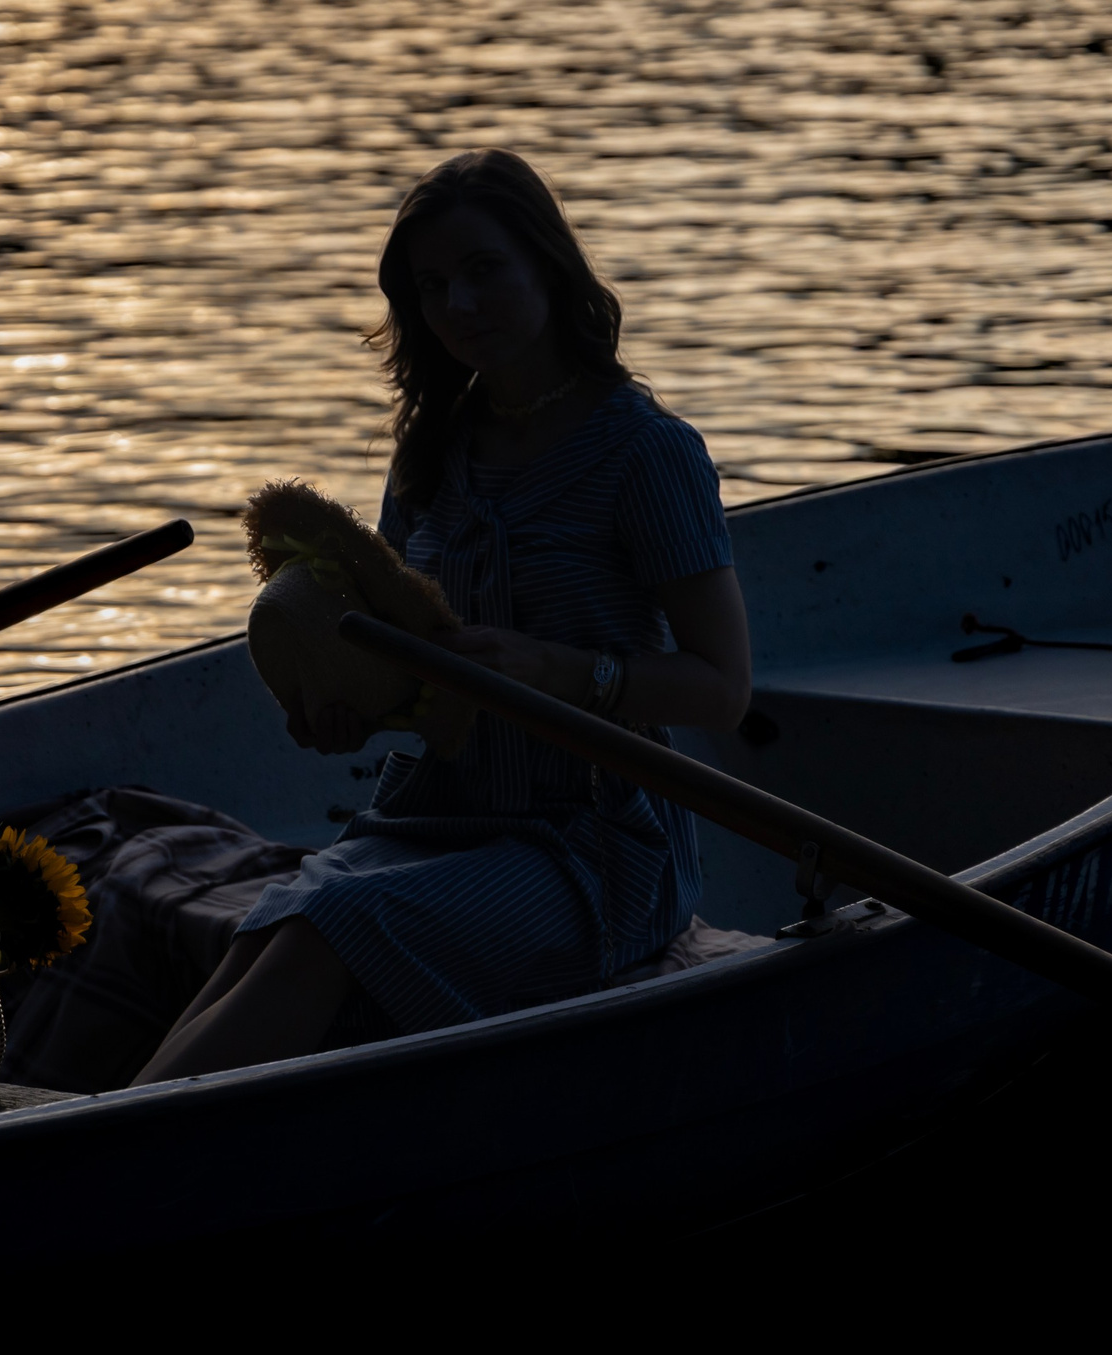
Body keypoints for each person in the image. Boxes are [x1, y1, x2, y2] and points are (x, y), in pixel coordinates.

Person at [131, 149, 751, 1085]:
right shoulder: (431, 451)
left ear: (547, 263)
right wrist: (341, 710)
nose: (459, 305)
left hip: (593, 850)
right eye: (432, 287)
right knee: (270, 928)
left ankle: (94, 1180)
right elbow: (407, 660)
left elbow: (724, 686)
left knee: (326, 929)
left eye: (483, 270)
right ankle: (88, 1150)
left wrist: (563, 670)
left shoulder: (648, 453)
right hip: (430, 814)